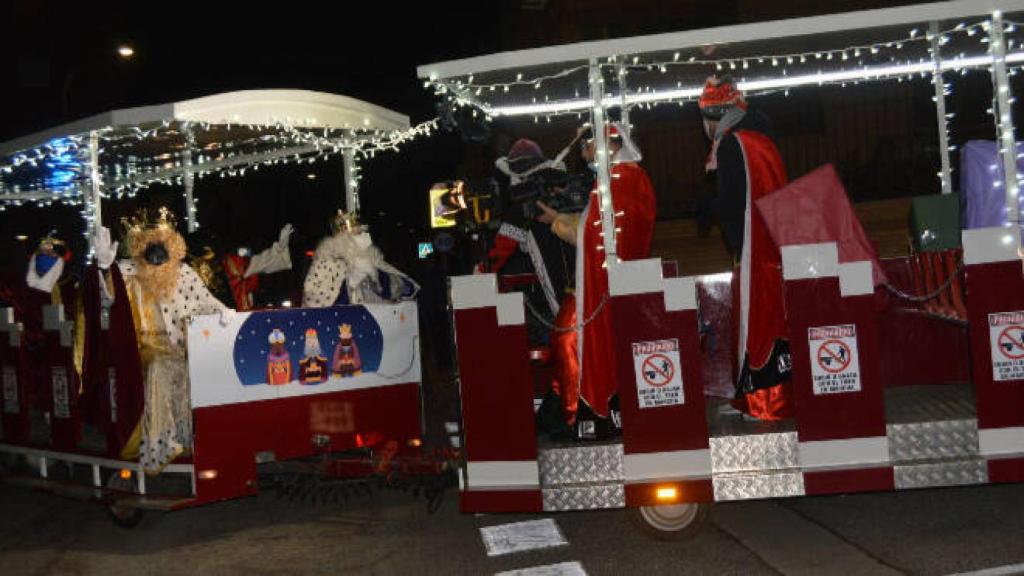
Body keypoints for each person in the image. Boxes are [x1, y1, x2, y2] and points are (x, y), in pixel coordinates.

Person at [536, 122, 656, 437]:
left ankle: (581, 415)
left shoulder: (617, 181)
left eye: (586, 147)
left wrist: (556, 221)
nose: (584, 155)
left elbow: (593, 236)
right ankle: (573, 411)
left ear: (603, 145)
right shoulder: (629, 178)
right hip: (610, 283)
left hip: (600, 286)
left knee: (569, 342)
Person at [94, 207, 233, 474]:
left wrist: (225, 313)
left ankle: (194, 437)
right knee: (160, 366)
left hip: (181, 345)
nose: (156, 245)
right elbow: (107, 299)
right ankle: (161, 442)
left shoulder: (183, 272)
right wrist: (103, 269)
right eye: (150, 240)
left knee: (205, 367)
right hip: (141, 347)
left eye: (162, 239)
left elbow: (204, 299)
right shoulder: (128, 269)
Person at [699, 76, 794, 421]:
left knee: (756, 326)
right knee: (760, 322)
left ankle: (765, 402)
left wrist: (708, 206)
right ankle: (751, 396)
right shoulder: (760, 141)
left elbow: (731, 202)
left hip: (755, 251)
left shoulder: (732, 145)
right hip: (768, 251)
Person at [303, 210, 419, 307]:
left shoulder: (373, 258)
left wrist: (376, 276)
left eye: (361, 231)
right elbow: (313, 298)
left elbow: (405, 288)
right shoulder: (327, 261)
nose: (362, 235)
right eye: (356, 232)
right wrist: (347, 284)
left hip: (379, 324)